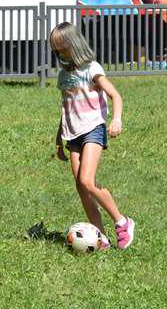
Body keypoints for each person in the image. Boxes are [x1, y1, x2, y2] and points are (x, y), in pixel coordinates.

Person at [50, 22, 135, 249]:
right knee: (81, 187)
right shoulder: (63, 75)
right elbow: (66, 108)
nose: (58, 52)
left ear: (73, 44)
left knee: (87, 180)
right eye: (55, 49)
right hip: (73, 134)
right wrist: (59, 139)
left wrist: (116, 119)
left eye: (61, 47)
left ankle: (122, 222)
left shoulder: (92, 69)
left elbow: (115, 95)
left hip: (93, 128)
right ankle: (101, 236)